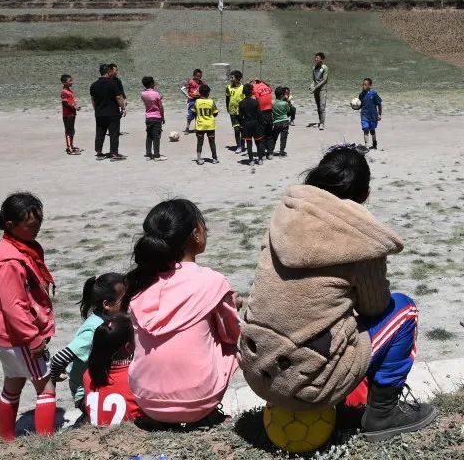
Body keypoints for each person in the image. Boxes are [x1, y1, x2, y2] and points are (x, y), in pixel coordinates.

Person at [239, 145, 437, 442]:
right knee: (403, 310)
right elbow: (375, 308)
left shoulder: (283, 218)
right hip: (307, 385)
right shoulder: (361, 239)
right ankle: (383, 411)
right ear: (366, 193)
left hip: (256, 368)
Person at [124, 199, 241, 428]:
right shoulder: (212, 281)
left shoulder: (142, 282)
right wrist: (229, 305)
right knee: (231, 343)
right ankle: (209, 410)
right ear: (196, 234)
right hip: (198, 400)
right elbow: (231, 336)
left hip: (147, 400)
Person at [0, 192, 56, 440]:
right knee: (45, 386)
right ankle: (46, 443)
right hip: (20, 338)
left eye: (39, 224)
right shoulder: (9, 261)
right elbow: (14, 306)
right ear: (10, 225)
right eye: (30, 226)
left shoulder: (18, 248)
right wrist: (33, 338)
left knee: (13, 384)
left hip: (7, 337)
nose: (36, 229)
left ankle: (6, 439)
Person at [48, 273, 127, 412]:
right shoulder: (93, 330)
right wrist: (51, 384)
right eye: (125, 299)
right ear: (107, 304)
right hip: (87, 396)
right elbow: (58, 359)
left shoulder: (105, 319)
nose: (129, 302)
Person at [83, 313, 142, 427]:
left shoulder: (88, 375)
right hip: (130, 438)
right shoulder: (136, 376)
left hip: (96, 436)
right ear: (128, 347)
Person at [90, 64, 126, 160]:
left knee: (100, 133)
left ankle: (99, 153)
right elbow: (118, 97)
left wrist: (96, 110)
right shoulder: (112, 84)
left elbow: (93, 100)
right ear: (108, 72)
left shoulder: (93, 85)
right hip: (112, 113)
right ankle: (114, 154)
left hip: (99, 113)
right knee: (114, 134)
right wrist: (123, 107)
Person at [237, 83, 264, 166]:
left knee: (249, 143)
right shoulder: (255, 102)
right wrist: (261, 125)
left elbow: (240, 117)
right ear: (252, 91)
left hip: (246, 124)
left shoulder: (241, 103)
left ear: (243, 92)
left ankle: (251, 160)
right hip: (255, 124)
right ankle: (260, 159)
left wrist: (242, 124)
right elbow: (259, 115)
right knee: (258, 143)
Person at [140, 76, 166, 161]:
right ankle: (157, 155)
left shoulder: (143, 94)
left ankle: (148, 154)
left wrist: (157, 97)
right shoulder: (156, 94)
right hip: (156, 117)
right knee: (156, 137)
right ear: (151, 84)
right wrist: (163, 117)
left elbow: (150, 100)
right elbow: (160, 107)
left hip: (148, 117)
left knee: (149, 136)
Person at [194, 84, 219, 165]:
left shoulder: (197, 102)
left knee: (199, 142)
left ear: (200, 93)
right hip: (210, 125)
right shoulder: (211, 102)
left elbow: (194, 112)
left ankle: (198, 158)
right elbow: (215, 113)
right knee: (212, 142)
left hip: (200, 125)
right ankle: (214, 158)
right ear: (208, 93)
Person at [268, 86, 295, 157]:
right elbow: (288, 110)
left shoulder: (272, 103)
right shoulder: (284, 103)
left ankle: (270, 153)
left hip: (276, 122)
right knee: (283, 138)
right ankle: (282, 153)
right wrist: (288, 101)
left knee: (274, 138)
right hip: (285, 122)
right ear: (282, 95)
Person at [60, 74, 82, 155]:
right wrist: (75, 106)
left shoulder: (69, 90)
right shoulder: (64, 92)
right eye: (70, 81)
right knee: (69, 130)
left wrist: (75, 106)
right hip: (67, 114)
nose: (72, 82)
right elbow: (65, 103)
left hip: (72, 113)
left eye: (72, 80)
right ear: (64, 82)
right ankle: (69, 149)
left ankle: (71, 146)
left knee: (72, 130)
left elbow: (71, 101)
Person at [358, 78, 383, 150]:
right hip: (364, 115)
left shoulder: (374, 93)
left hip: (373, 116)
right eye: (363, 84)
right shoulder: (361, 95)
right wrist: (355, 106)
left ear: (370, 85)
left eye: (365, 85)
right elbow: (359, 105)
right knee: (365, 129)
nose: (363, 86)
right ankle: (366, 146)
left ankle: (374, 143)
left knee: (372, 130)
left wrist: (379, 114)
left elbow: (379, 104)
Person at [251, 78, 274, 157]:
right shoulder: (266, 86)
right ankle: (270, 153)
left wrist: (250, 82)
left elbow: (247, 90)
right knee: (269, 133)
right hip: (269, 111)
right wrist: (261, 80)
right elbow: (269, 86)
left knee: (262, 134)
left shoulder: (254, 87)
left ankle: (263, 153)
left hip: (262, 112)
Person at [225, 70, 246, 154]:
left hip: (242, 112)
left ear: (237, 79)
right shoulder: (228, 88)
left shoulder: (243, 87)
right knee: (236, 130)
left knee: (242, 129)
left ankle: (243, 143)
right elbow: (227, 99)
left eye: (232, 77)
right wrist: (227, 108)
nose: (230, 79)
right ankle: (239, 145)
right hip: (233, 112)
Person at [181, 68, 203, 134]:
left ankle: (197, 128)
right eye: (198, 76)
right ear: (194, 75)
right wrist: (187, 96)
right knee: (190, 115)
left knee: (198, 115)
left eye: (200, 76)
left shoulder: (201, 83)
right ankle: (187, 128)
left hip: (199, 101)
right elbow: (182, 89)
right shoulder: (190, 82)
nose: (199, 77)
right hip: (191, 101)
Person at [310, 52, 329, 131]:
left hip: (322, 89)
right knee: (318, 107)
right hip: (316, 90)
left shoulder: (325, 68)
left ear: (322, 59)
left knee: (322, 107)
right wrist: (311, 85)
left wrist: (316, 87)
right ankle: (320, 121)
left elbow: (324, 80)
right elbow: (313, 79)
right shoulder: (314, 68)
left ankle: (322, 123)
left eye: (317, 58)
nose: (315, 59)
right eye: (315, 58)